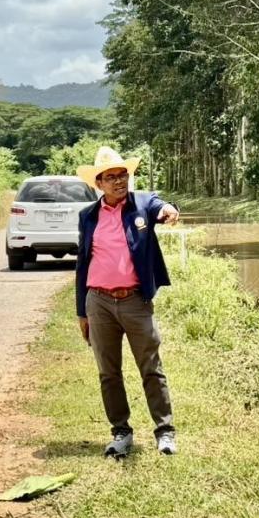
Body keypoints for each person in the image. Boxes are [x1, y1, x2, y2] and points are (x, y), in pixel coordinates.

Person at [74, 146, 181, 457]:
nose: (119, 181)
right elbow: (82, 264)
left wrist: (168, 211)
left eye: (124, 175)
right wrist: (82, 311)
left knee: (151, 366)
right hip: (99, 302)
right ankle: (121, 432)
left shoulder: (142, 204)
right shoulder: (88, 216)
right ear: (99, 183)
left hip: (135, 300)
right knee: (108, 371)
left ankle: (165, 431)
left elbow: (161, 206)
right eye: (112, 177)